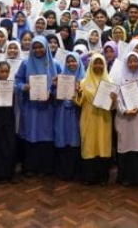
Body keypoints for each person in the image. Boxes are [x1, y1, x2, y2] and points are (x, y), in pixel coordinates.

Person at [15, 36, 59, 176]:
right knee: (31, 134)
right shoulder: (25, 63)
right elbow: (17, 82)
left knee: (46, 135)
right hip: (31, 107)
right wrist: (24, 87)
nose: (38, 50)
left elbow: (62, 84)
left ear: (46, 47)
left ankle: (46, 168)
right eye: (35, 47)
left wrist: (54, 88)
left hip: (48, 108)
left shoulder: (55, 64)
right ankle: (30, 167)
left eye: (41, 47)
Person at [111, 52, 138, 187]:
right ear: (126, 63)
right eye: (130, 61)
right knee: (126, 145)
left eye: (136, 61)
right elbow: (116, 99)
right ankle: (126, 177)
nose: (133, 64)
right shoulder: (119, 78)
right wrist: (124, 110)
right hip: (124, 118)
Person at [74, 54, 114, 184]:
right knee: (89, 145)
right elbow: (79, 102)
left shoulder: (110, 82)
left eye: (100, 63)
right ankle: (88, 177)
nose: (98, 66)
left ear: (104, 65)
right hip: (88, 119)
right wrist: (78, 93)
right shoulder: (83, 82)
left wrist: (114, 100)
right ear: (90, 65)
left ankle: (102, 177)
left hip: (104, 120)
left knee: (103, 145)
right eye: (95, 63)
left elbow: (113, 107)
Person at [53, 52, 84, 181]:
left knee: (75, 140)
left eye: (74, 61)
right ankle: (63, 172)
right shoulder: (61, 77)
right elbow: (54, 98)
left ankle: (76, 172)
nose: (71, 63)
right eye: (69, 61)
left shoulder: (84, 79)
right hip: (62, 114)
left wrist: (80, 92)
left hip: (77, 114)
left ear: (79, 62)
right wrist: (56, 87)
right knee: (63, 139)